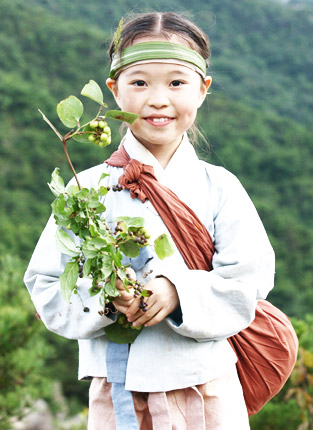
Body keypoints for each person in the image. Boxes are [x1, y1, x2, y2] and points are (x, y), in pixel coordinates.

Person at [24, 11, 275, 430]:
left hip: (208, 390)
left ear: (202, 89)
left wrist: (177, 291)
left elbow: (249, 281)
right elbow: (47, 285)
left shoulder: (220, 187)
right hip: (117, 390)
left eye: (177, 83)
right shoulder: (86, 191)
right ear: (114, 90)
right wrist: (107, 298)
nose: (158, 99)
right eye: (139, 82)